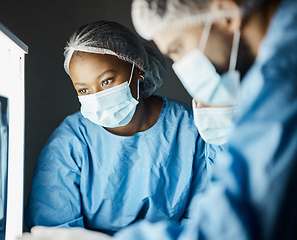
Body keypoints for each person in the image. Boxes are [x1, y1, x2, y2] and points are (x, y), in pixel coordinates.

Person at [113, 0, 297, 239]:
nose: (182, 67)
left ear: (226, 16)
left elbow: (231, 228)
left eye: (177, 49)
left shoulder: (281, 79)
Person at [24, 20, 220, 236]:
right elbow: (53, 230)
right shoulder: (71, 141)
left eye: (106, 81)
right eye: (83, 91)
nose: (97, 97)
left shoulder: (190, 130)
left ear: (138, 68)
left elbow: (205, 220)